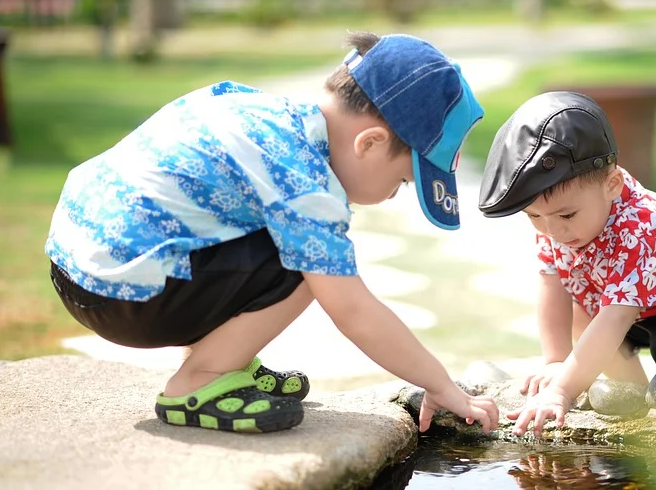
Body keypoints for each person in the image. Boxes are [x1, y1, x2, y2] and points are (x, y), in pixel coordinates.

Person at [45, 31, 499, 435]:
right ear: (371, 143)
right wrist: (441, 385)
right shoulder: (304, 181)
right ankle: (198, 382)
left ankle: (227, 361)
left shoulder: (264, 113)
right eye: (402, 182)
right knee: (313, 265)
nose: (391, 196)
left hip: (80, 265)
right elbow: (353, 311)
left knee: (289, 241)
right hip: (121, 295)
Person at [478, 91, 656, 437]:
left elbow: (617, 316)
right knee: (584, 313)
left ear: (612, 184)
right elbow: (551, 283)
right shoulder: (557, 222)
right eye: (534, 216)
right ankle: (634, 402)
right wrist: (556, 360)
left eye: (566, 214)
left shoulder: (644, 226)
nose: (553, 230)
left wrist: (562, 391)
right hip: (645, 305)